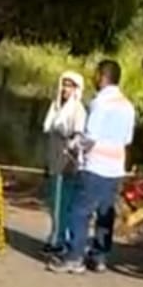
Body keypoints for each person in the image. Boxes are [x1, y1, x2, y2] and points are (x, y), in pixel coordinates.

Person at [50, 59, 135, 274]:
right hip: (116, 168)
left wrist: (73, 145)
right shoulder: (127, 105)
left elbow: (91, 137)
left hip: (95, 165)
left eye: (97, 74)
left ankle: (74, 257)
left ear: (102, 76)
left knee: (79, 212)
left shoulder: (101, 103)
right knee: (105, 214)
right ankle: (99, 257)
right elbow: (127, 138)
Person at [42, 71, 86, 256]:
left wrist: (70, 148)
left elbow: (78, 136)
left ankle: (63, 241)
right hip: (54, 158)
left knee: (64, 202)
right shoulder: (56, 107)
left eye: (70, 85)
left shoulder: (77, 110)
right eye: (64, 84)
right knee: (54, 202)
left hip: (67, 161)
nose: (66, 89)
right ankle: (55, 236)